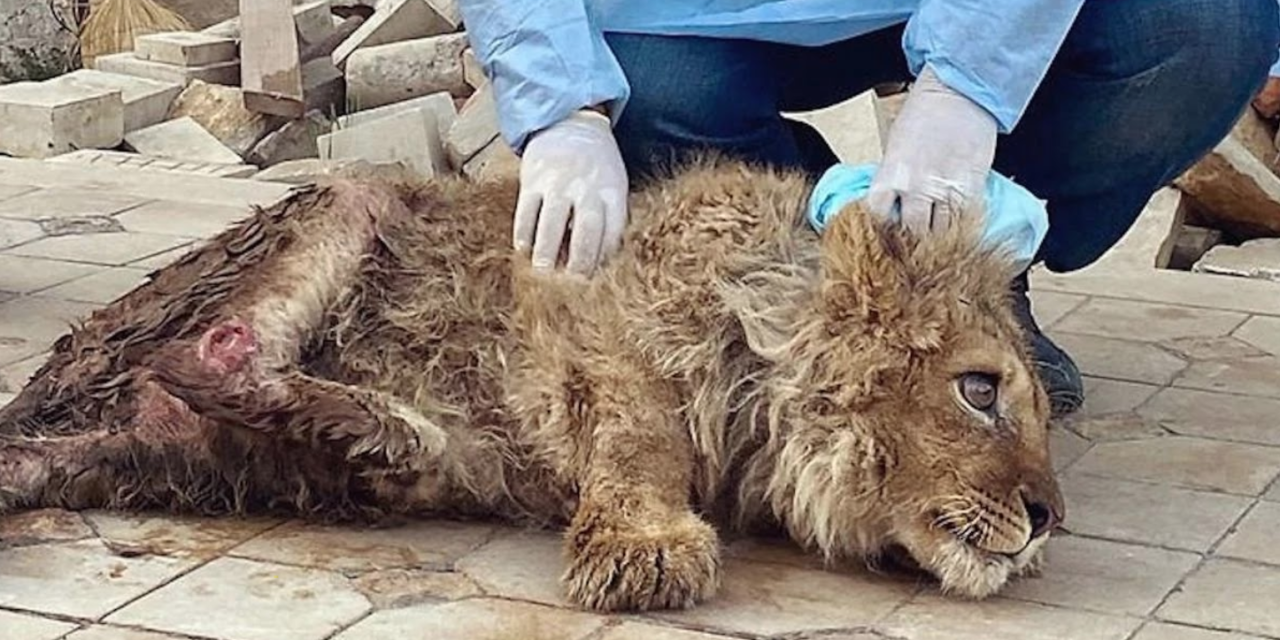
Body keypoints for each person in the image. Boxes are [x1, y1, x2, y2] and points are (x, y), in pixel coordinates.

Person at [456, 0, 1280, 416]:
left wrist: (968, 88)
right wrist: (564, 104)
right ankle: (821, 294)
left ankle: (975, 287)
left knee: (1206, 21)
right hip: (684, 20)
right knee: (661, 100)